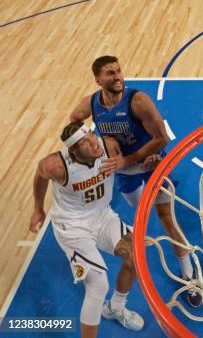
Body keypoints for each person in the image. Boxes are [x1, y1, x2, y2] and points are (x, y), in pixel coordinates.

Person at [69, 56, 202, 307]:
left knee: (167, 220)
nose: (118, 76)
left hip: (152, 166)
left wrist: (129, 159)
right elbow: (73, 120)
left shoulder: (138, 101)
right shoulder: (92, 104)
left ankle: (189, 276)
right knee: (142, 214)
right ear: (98, 80)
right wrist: (94, 143)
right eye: (110, 73)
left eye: (119, 70)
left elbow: (162, 138)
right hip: (126, 173)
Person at [29, 122, 148, 337]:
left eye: (91, 135)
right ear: (73, 151)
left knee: (136, 256)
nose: (93, 142)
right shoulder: (56, 165)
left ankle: (115, 308)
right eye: (85, 142)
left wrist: (144, 167)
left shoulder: (108, 146)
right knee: (98, 284)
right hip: (72, 227)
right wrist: (38, 208)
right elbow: (40, 174)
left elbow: (124, 166)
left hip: (103, 216)